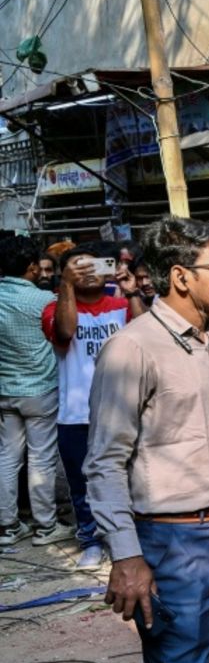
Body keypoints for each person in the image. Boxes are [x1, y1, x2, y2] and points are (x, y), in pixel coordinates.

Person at [86, 217, 209, 663]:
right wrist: (127, 555)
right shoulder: (133, 349)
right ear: (181, 277)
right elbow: (105, 462)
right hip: (175, 546)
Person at [43, 242, 146, 570]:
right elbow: (66, 330)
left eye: (94, 266)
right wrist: (67, 287)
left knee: (133, 479)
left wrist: (132, 293)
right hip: (75, 414)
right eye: (78, 268)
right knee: (82, 483)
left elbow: (148, 337)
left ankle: (131, 541)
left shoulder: (122, 304)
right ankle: (91, 539)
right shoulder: (53, 307)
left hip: (125, 410)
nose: (88, 273)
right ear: (66, 274)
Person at [0, 235, 62, 548]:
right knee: (41, 459)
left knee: (7, 458)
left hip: (4, 390)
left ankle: (8, 527)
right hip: (40, 389)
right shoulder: (45, 301)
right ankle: (45, 527)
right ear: (30, 268)